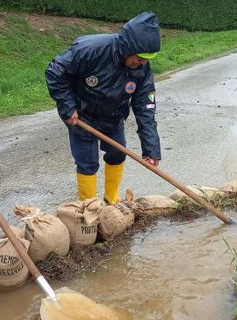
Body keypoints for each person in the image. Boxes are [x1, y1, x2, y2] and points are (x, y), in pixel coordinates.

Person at [45, 11, 161, 204]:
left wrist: (151, 149)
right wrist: (68, 107)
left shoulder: (142, 69)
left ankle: (111, 199)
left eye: (147, 59)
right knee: (88, 162)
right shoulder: (90, 49)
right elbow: (55, 73)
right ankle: (90, 207)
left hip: (113, 116)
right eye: (140, 58)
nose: (143, 63)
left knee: (117, 153)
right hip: (82, 116)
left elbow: (145, 107)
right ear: (128, 47)